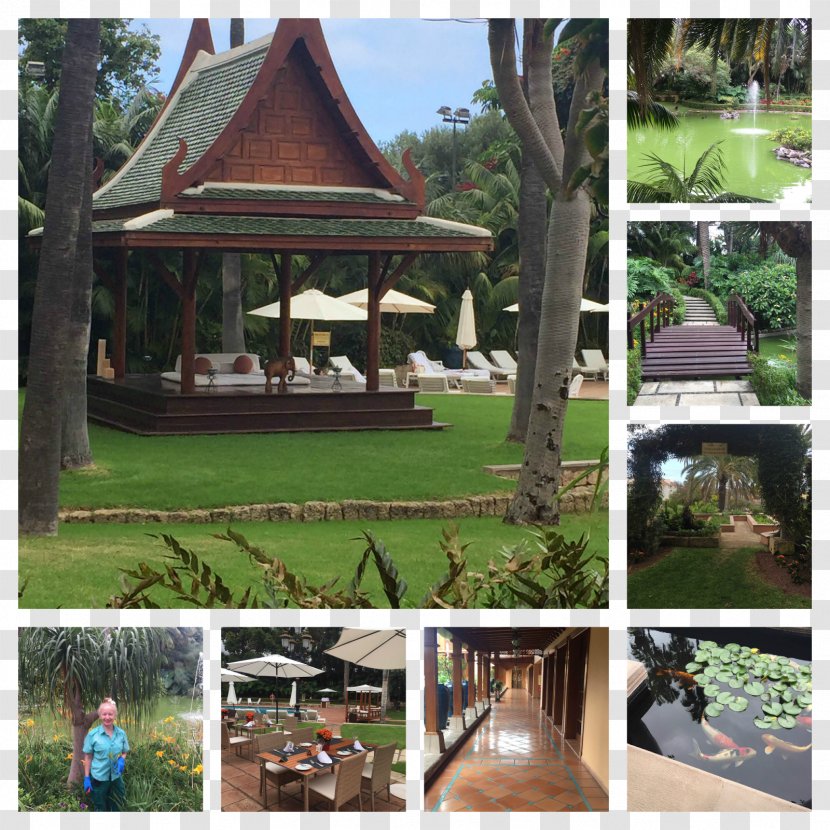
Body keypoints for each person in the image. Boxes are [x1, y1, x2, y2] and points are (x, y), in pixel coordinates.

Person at [82, 698, 130, 812]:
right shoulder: (93, 735)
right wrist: (87, 778)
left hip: (116, 777)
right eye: (104, 714)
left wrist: (121, 759)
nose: (107, 717)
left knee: (117, 802)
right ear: (100, 715)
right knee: (100, 806)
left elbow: (125, 751)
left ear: (115, 715)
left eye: (110, 714)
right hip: (99, 777)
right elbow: (88, 757)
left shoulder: (121, 734)